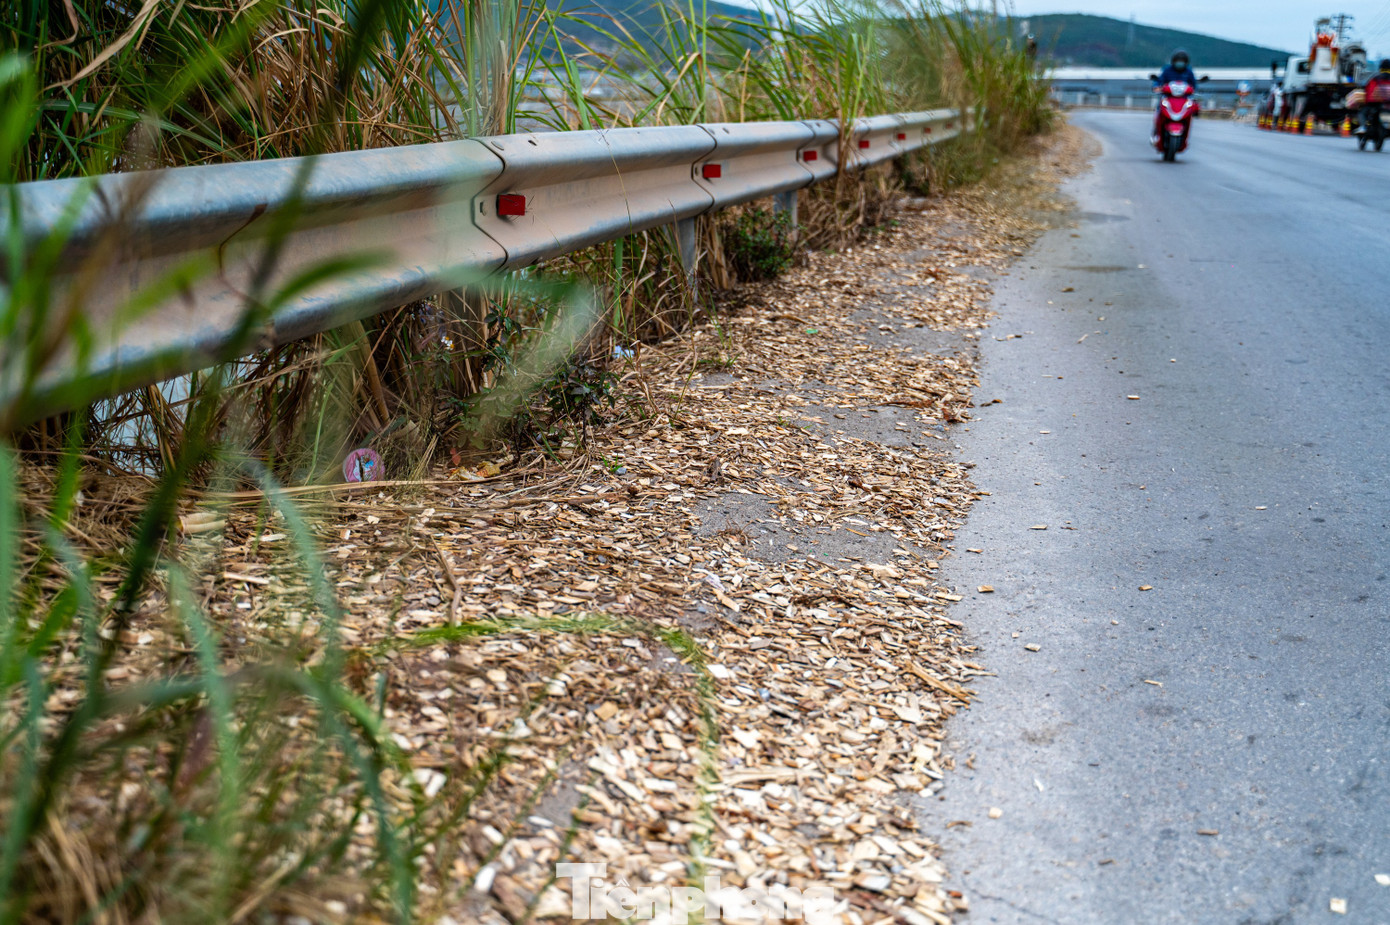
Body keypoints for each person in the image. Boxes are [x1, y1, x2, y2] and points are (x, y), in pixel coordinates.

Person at [1152, 50, 1196, 139]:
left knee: (1190, 113)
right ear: (1173, 61)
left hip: (1183, 99)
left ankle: (1185, 135)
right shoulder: (1167, 70)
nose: (1180, 63)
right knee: (1158, 111)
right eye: (1178, 61)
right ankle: (1156, 131)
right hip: (1168, 98)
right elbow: (1159, 81)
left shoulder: (1188, 72)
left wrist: (1193, 90)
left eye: (1182, 61)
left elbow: (1194, 85)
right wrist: (1156, 87)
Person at [1363, 58, 1390, 135]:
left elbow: (1368, 91)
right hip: (1387, 104)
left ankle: (1364, 127)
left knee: (1363, 112)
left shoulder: (1375, 78)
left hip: (1374, 103)